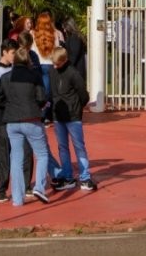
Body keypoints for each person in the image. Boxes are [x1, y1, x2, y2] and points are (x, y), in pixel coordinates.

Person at [0, 46, 52, 207]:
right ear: (28, 60)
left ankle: (17, 198)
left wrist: (12, 104)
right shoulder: (35, 75)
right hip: (31, 118)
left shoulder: (6, 77)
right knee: (42, 154)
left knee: (16, 158)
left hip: (12, 120)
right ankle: (39, 187)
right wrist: (39, 105)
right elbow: (42, 97)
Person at [49, 46, 97, 192]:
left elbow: (83, 93)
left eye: (57, 63)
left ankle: (84, 177)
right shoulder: (53, 71)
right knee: (63, 147)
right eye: (54, 63)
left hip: (72, 115)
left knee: (78, 146)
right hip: (58, 114)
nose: (55, 66)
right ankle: (68, 176)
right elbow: (52, 91)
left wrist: (78, 107)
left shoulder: (73, 73)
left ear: (65, 60)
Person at [0, 39, 33, 203]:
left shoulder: (17, 70)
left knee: (26, 150)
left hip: (19, 117)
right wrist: (14, 102)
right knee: (4, 152)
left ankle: (26, 184)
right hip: (2, 119)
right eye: (12, 53)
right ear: (4, 52)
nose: (14, 56)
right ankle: (2, 188)